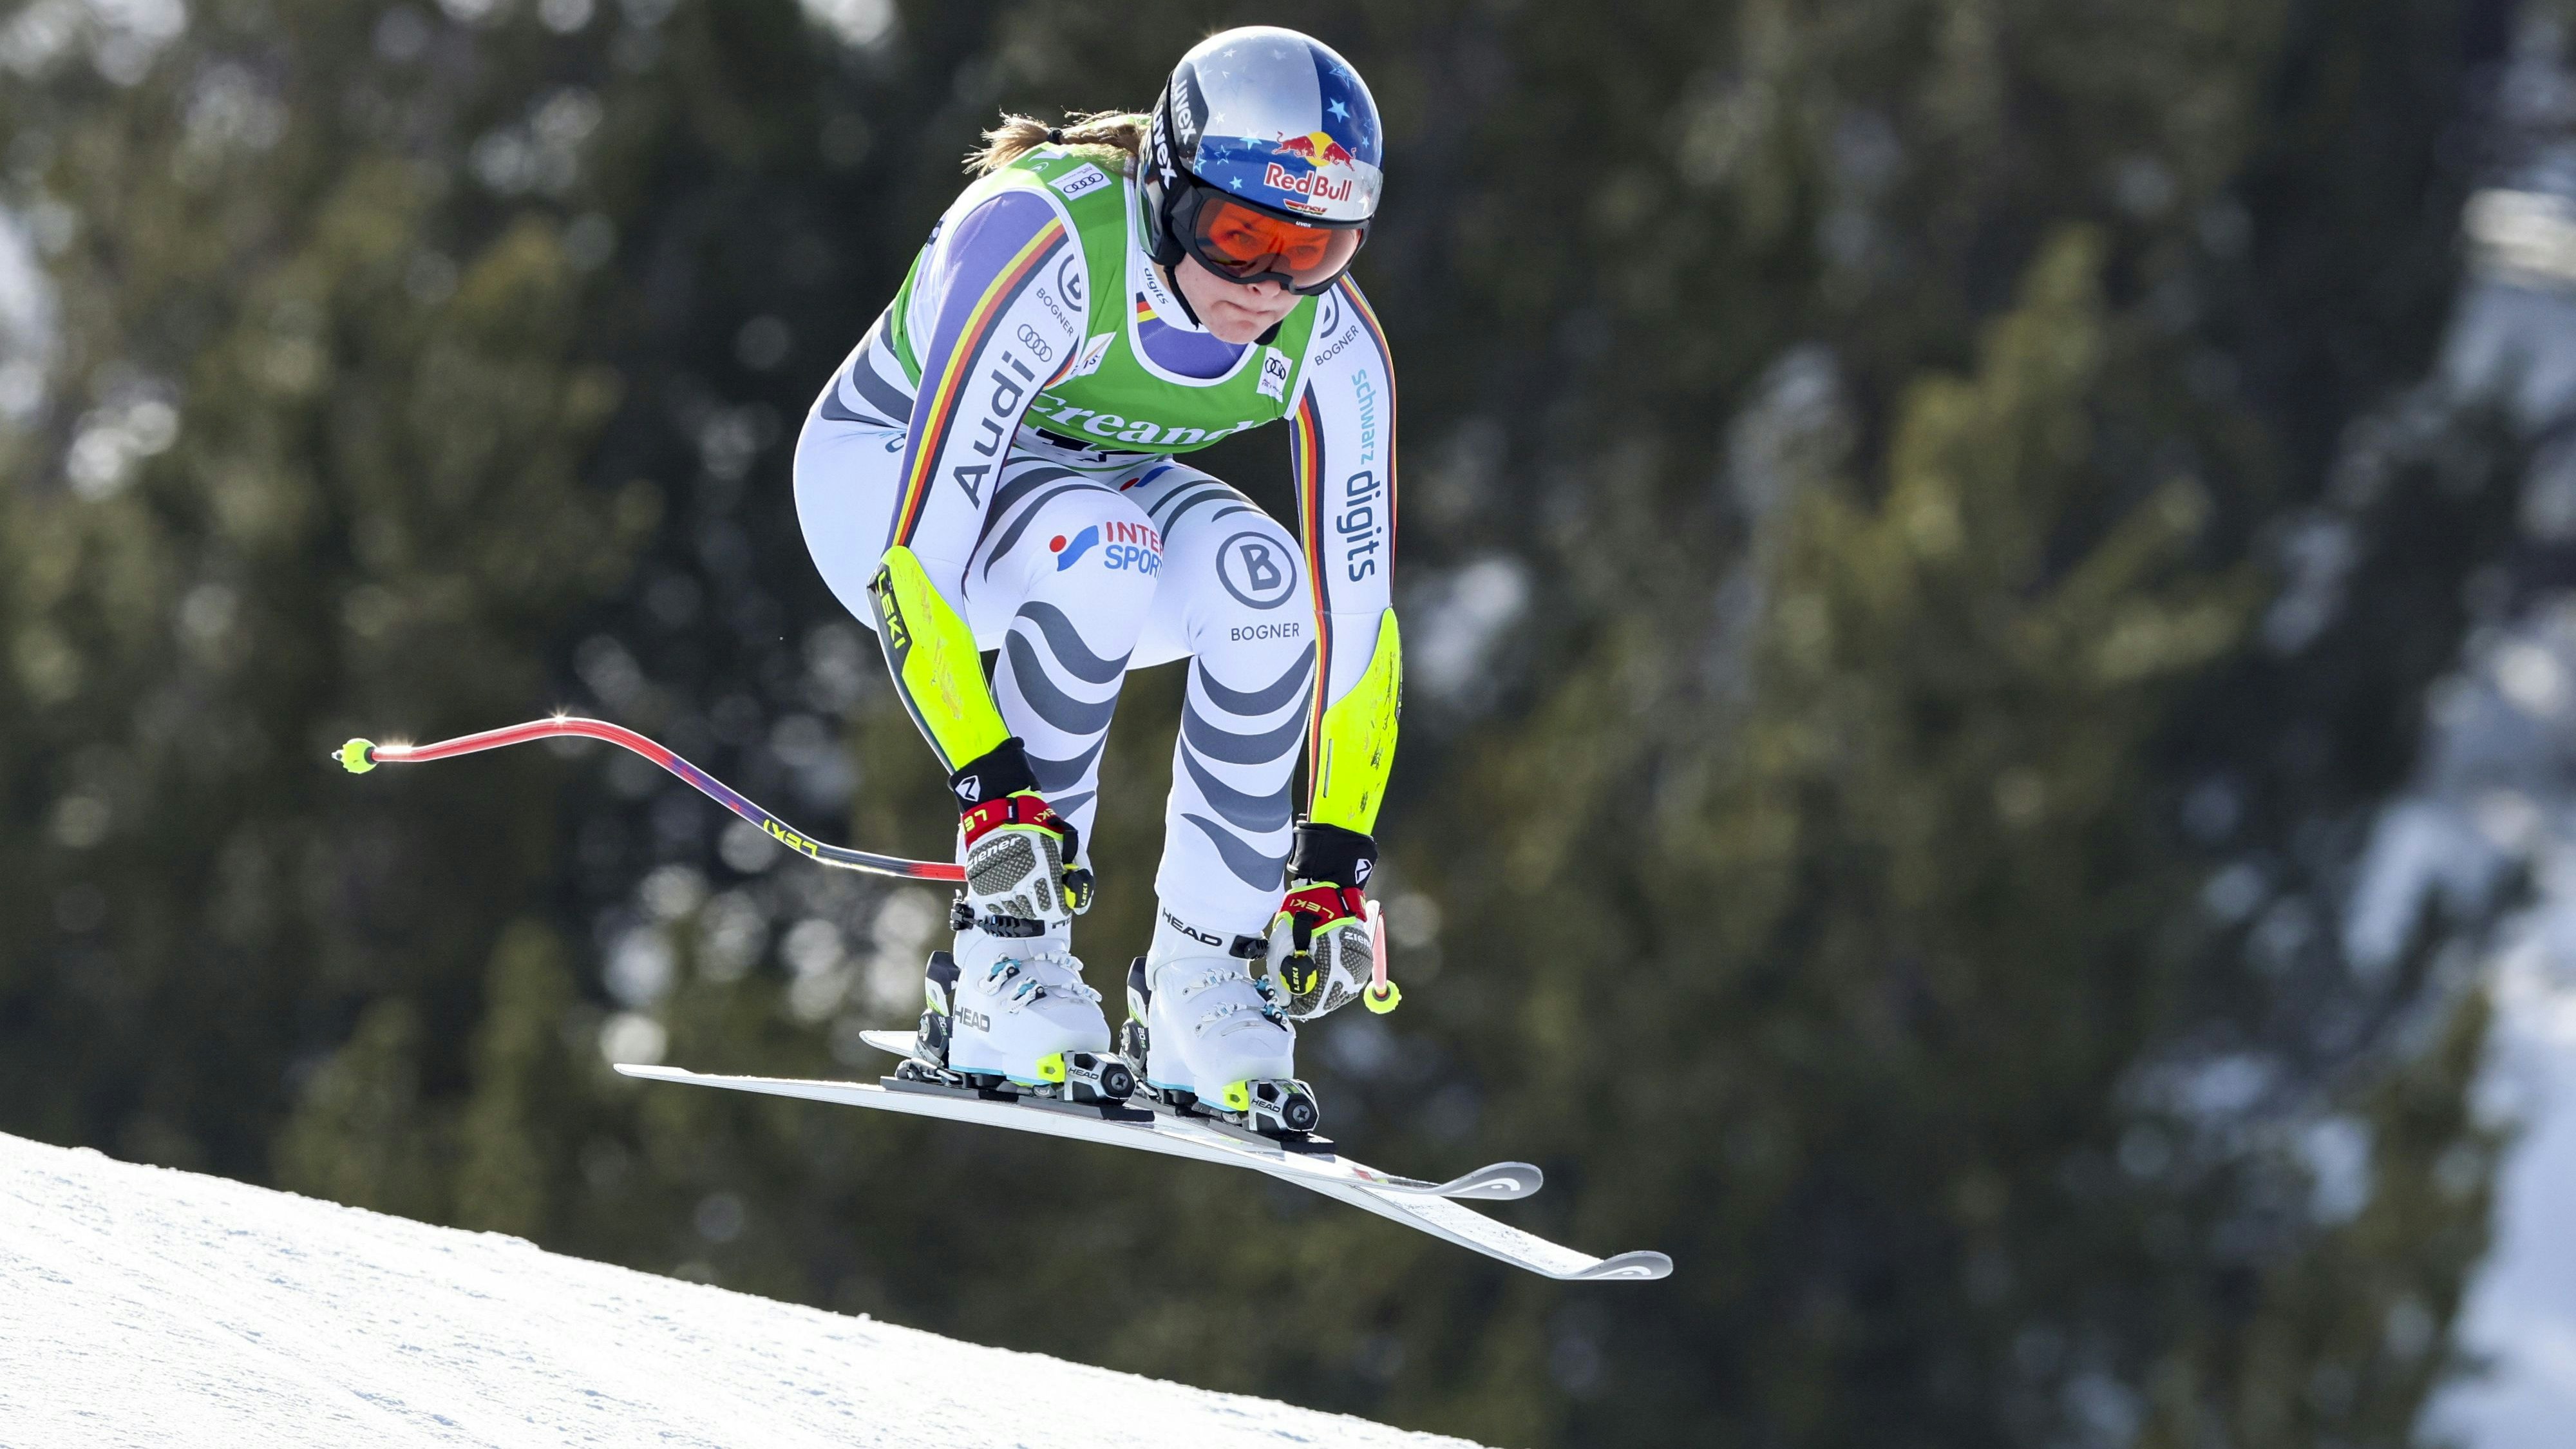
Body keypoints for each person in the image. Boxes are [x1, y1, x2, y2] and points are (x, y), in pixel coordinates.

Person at [792, 26, 1399, 1135]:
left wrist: (1332, 858)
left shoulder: (1335, 342)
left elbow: (1359, 619)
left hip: (1087, 483)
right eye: (1240, 234)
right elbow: (916, 563)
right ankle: (1002, 967)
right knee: (1106, 542)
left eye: (1314, 251)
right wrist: (993, 790)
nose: (1271, 284)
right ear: (1169, 192)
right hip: (881, 481)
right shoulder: (1043, 240)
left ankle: (1203, 981)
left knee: (1268, 586)